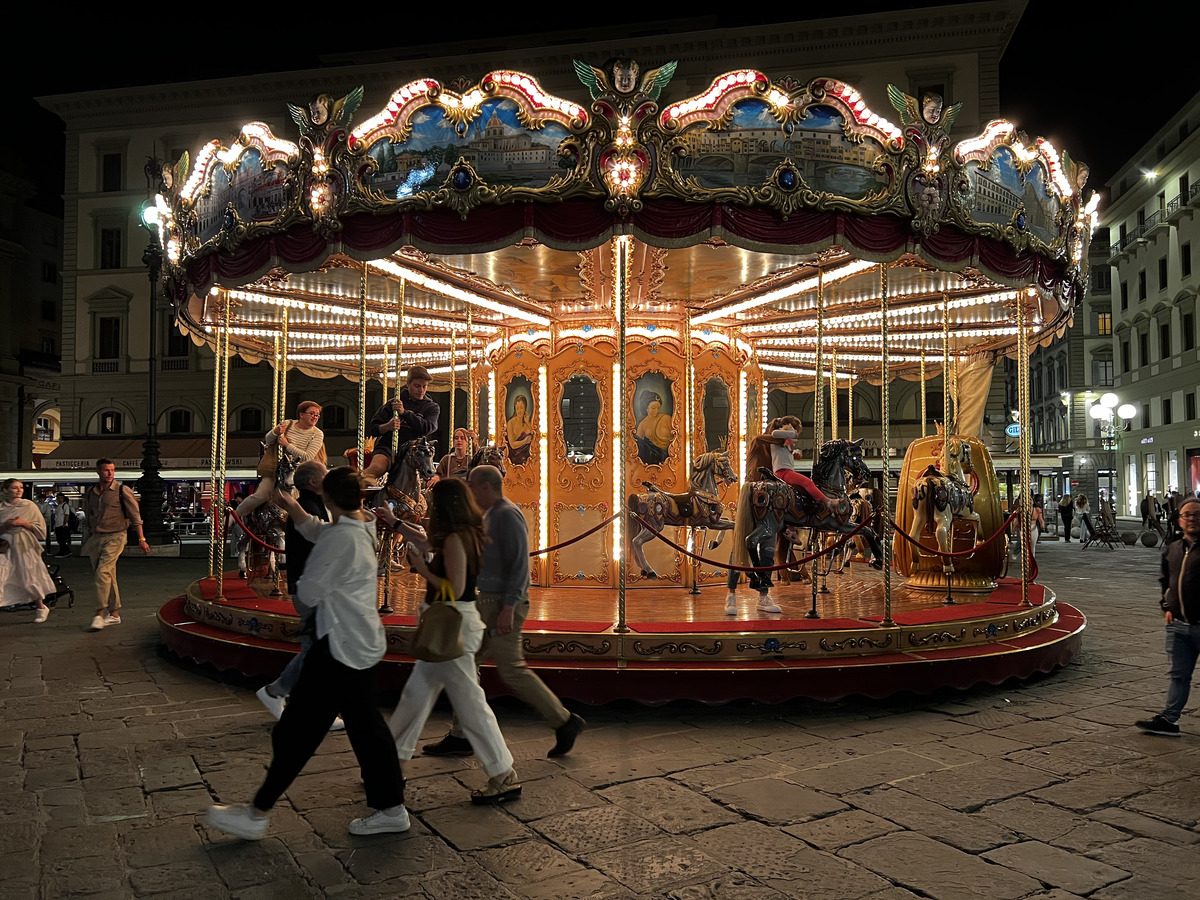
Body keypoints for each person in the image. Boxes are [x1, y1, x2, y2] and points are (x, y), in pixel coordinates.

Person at [206, 467, 408, 840]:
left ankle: (256, 813)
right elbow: (321, 530)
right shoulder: (361, 524)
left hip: (337, 645)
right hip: (357, 641)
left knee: (297, 733)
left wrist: (311, 582)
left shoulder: (342, 537)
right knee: (366, 729)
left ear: (329, 497)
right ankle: (391, 806)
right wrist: (291, 508)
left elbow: (312, 590)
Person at [421, 465, 585, 759]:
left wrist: (509, 607)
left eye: (472, 485)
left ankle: (563, 720)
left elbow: (520, 566)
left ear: (485, 486)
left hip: (502, 603)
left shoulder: (507, 515)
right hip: (488, 602)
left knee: (511, 669)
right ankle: (461, 733)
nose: (469, 491)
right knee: (465, 664)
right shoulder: (489, 515)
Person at [385, 479, 522, 804]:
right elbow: (427, 539)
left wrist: (421, 570)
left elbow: (455, 587)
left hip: (453, 622)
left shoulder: (457, 540)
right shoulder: (461, 534)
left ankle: (504, 773)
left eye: (433, 501)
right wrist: (396, 524)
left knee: (469, 705)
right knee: (415, 697)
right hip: (451, 622)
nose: (429, 506)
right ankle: (392, 765)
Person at [254, 461, 344, 733]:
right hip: (313, 589)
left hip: (312, 588)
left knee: (315, 650)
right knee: (320, 653)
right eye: (325, 475)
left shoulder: (312, 506)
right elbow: (319, 536)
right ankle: (309, 706)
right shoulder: (309, 508)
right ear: (314, 482)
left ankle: (278, 692)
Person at [1136, 497, 1200, 737]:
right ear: (1180, 520)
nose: (1192, 518)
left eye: (1196, 514)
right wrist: (1167, 607)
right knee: (1178, 675)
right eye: (1187, 515)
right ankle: (1169, 720)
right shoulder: (1173, 548)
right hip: (1179, 627)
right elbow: (1166, 580)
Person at [82, 459, 150, 631]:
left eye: (112, 470)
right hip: (97, 537)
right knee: (108, 575)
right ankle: (114, 614)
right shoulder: (92, 492)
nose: (110, 473)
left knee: (102, 572)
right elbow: (89, 516)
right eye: (106, 470)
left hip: (116, 536)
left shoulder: (122, 490)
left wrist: (142, 539)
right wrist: (88, 537)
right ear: (98, 472)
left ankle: (99, 613)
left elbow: (135, 516)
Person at [237, 401, 326, 520]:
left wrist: (287, 445)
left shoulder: (317, 434)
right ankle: (235, 516)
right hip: (277, 467)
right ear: (301, 414)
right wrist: (276, 432)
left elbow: (308, 456)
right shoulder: (288, 424)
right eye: (312, 413)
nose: (315, 417)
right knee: (262, 494)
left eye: (317, 415)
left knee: (309, 497)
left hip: (298, 471)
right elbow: (268, 441)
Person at [362, 366, 440, 484]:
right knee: (376, 469)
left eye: (424, 386)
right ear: (408, 384)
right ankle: (359, 487)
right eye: (417, 386)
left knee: (426, 476)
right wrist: (387, 426)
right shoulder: (393, 403)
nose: (421, 390)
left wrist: (404, 413)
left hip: (414, 451)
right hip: (388, 447)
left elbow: (428, 428)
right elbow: (373, 428)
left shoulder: (431, 407)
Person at [0, 479, 55, 622]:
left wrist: (23, 523)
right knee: (2, 574)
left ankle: (41, 607)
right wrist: (5, 526)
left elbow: (40, 528)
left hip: (24, 544)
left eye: (21, 487)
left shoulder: (29, 506)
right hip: (5, 545)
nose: (18, 490)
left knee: (28, 575)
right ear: (6, 490)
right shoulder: (1, 508)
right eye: (14, 488)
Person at [634, 391, 673, 465]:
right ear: (646, 408)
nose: (656, 411)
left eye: (658, 408)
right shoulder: (642, 424)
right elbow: (638, 444)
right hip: (651, 457)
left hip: (669, 458)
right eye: (653, 408)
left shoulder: (666, 418)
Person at [505, 396, 535, 466]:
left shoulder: (527, 424)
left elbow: (535, 438)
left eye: (521, 408)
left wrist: (527, 422)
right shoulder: (511, 423)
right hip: (514, 458)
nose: (519, 411)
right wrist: (525, 441)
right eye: (517, 408)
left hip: (527, 460)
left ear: (525, 408)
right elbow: (512, 444)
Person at [52, 493, 74, 557]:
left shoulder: (65, 505)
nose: (59, 499)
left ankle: (62, 552)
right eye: (58, 498)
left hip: (62, 525)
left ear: (63, 498)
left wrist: (64, 523)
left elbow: (67, 514)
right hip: (57, 524)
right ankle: (67, 551)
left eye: (61, 498)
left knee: (62, 540)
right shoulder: (58, 506)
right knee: (59, 539)